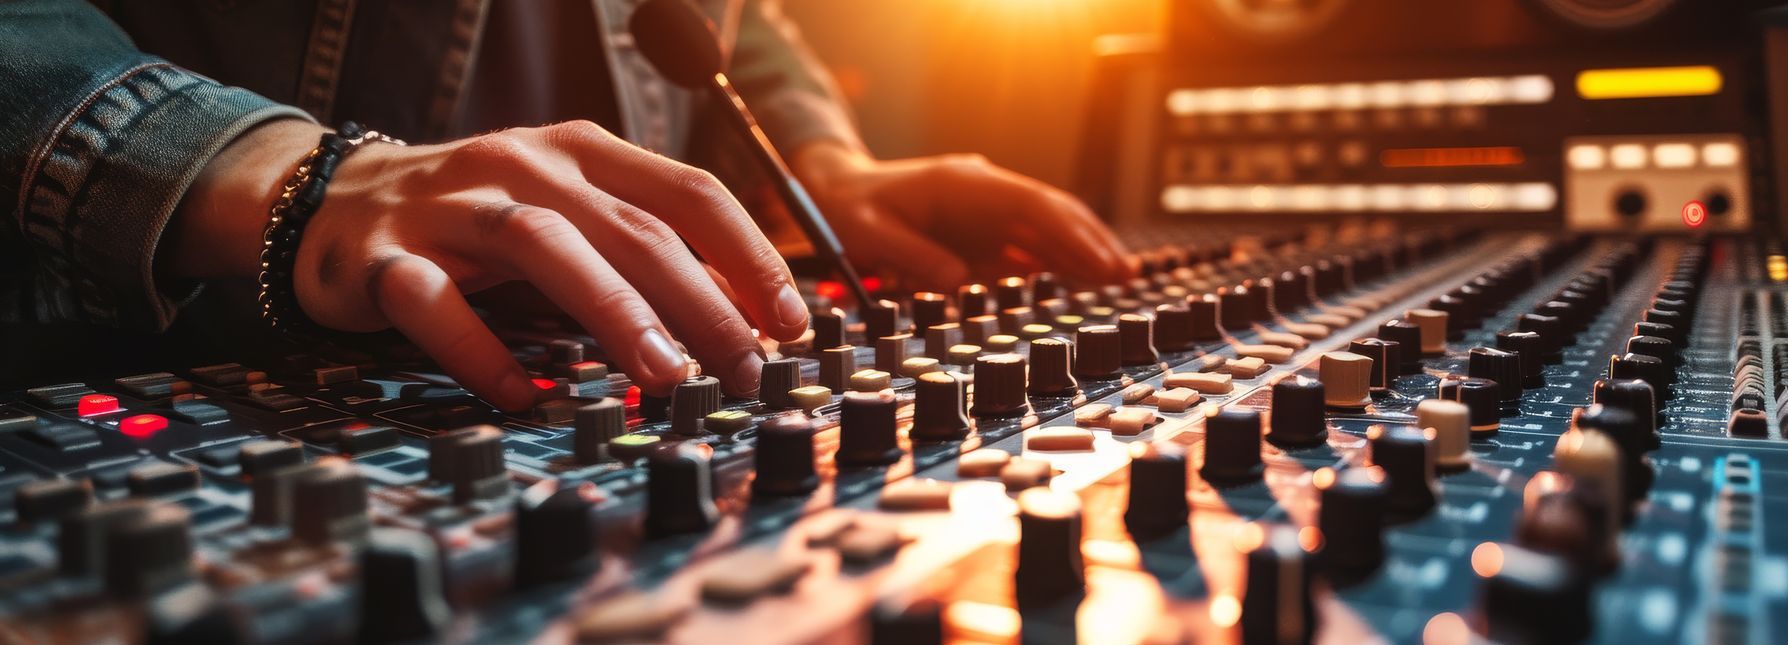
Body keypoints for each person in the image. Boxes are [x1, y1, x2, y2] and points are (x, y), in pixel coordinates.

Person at [0, 0, 1132, 409]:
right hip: (161, 351)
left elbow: (742, 32)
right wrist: (269, 172)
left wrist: (824, 161)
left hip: (572, 352)